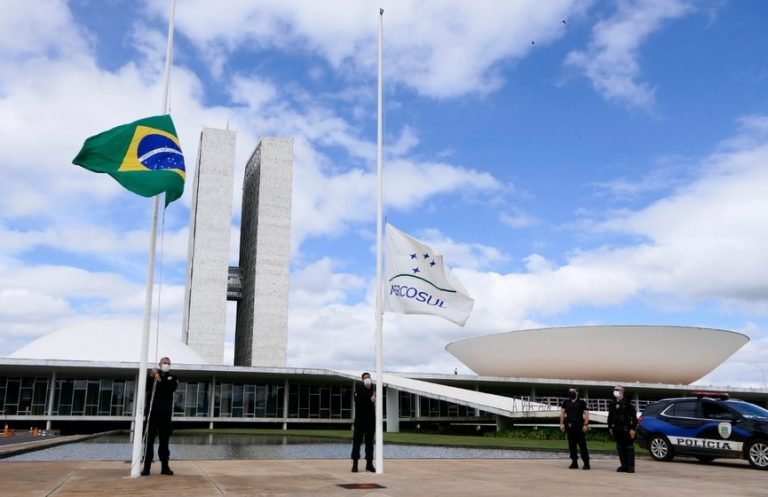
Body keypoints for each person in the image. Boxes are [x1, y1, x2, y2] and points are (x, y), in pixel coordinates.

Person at [141, 356, 178, 476]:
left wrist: (159, 378)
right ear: (160, 364)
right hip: (152, 414)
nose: (166, 364)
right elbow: (145, 388)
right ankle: (146, 467)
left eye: (168, 363)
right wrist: (152, 376)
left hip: (165, 415)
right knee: (149, 441)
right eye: (164, 362)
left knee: (164, 441)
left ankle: (165, 467)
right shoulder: (153, 377)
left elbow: (168, 389)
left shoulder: (173, 378)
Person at [608, 384, 638, 473]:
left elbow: (634, 417)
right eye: (614, 389)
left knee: (628, 447)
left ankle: (630, 467)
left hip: (626, 428)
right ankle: (623, 466)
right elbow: (610, 416)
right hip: (616, 429)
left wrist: (633, 429)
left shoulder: (628, 403)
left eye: (617, 389)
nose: (615, 391)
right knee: (620, 447)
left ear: (622, 392)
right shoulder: (612, 403)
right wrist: (610, 426)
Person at [351, 371, 376, 472]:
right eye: (365, 377)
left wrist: (373, 400)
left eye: (369, 377)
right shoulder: (358, 389)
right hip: (360, 422)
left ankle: (369, 464)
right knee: (357, 443)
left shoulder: (373, 389)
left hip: (370, 421)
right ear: (362, 379)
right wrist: (370, 401)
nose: (367, 379)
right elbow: (359, 405)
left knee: (370, 444)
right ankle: (355, 464)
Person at [560, 387, 590, 470]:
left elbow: (586, 413)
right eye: (569, 391)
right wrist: (561, 424)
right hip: (569, 427)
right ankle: (574, 462)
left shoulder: (581, 402)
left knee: (582, 446)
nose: (570, 393)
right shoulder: (566, 402)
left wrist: (586, 424)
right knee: (571, 446)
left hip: (579, 427)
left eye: (572, 391)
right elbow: (562, 413)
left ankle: (586, 463)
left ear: (577, 393)